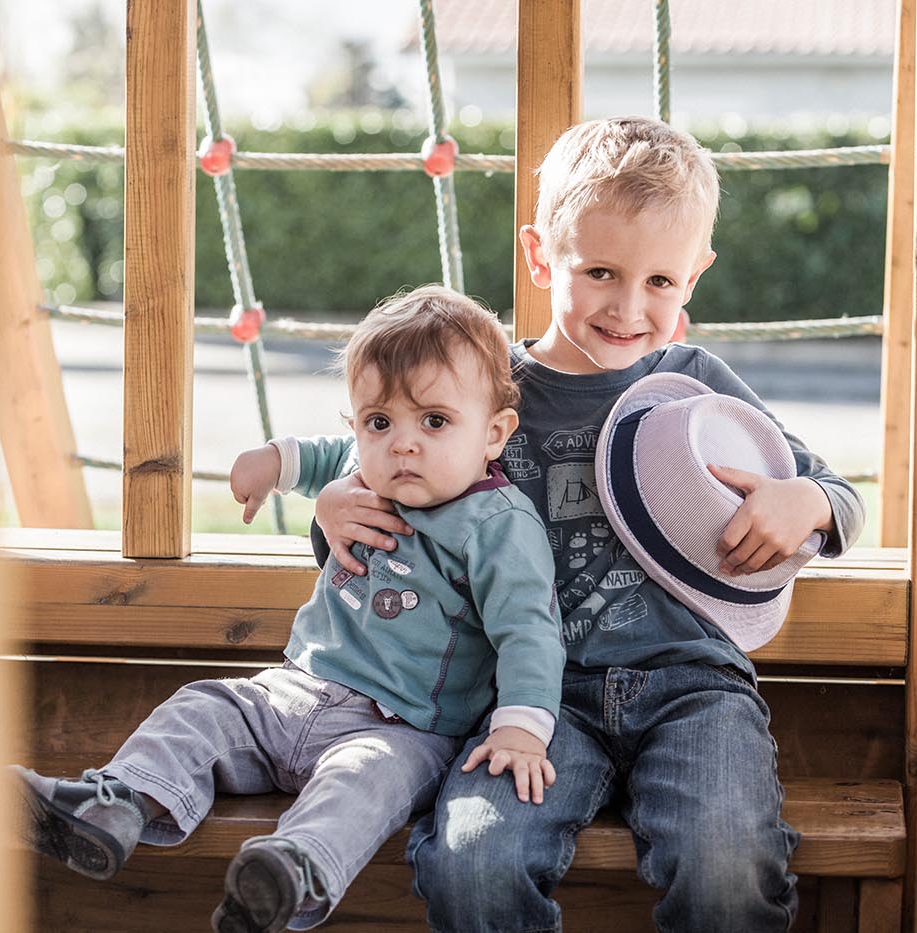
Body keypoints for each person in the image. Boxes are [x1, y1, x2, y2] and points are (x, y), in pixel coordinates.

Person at [312, 117, 866, 932]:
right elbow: (383, 487)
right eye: (600, 270)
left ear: (695, 276)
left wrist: (808, 502)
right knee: (475, 860)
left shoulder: (694, 384)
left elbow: (840, 494)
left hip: (693, 686)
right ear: (542, 256)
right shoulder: (480, 384)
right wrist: (332, 511)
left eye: (660, 283)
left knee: (724, 862)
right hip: (531, 700)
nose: (628, 307)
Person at [10, 285, 566, 933]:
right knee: (205, 705)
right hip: (291, 694)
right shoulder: (365, 470)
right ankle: (120, 799)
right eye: (379, 421)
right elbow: (325, 455)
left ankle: (290, 868)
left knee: (363, 783)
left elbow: (530, 629)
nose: (402, 444)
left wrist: (522, 726)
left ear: (494, 433)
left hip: (401, 729)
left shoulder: (496, 524)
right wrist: (272, 462)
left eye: (435, 421)